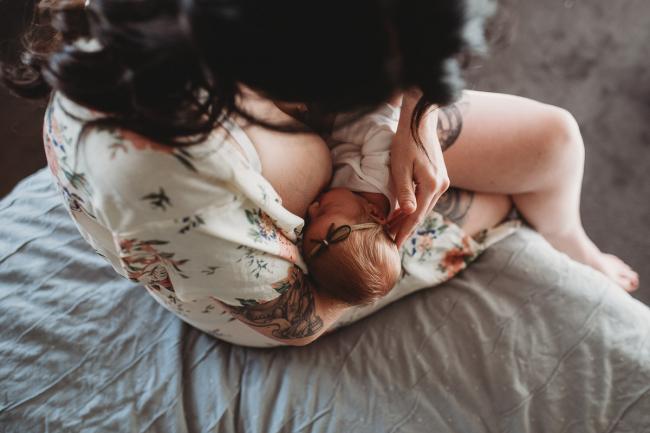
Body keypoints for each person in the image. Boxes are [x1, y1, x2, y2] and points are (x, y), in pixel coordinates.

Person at [0, 0, 638, 348]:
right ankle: (528, 227)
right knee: (501, 199)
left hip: (305, 146)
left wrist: (418, 109)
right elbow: (296, 318)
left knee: (554, 138)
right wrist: (382, 234)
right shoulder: (160, 167)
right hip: (266, 281)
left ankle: (569, 240)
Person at [303, 100, 517, 306]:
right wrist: (334, 126)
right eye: (325, 211)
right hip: (369, 110)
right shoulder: (377, 177)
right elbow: (379, 127)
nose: (313, 208)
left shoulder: (345, 211)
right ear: (374, 212)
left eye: (311, 220)